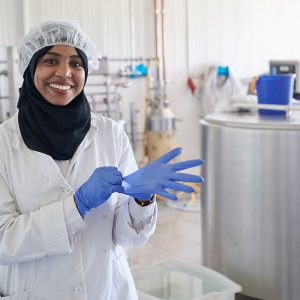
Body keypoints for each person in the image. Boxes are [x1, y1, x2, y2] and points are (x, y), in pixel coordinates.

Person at [0, 20, 204, 300]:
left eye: (76, 63)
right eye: (50, 60)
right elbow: (4, 242)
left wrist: (141, 201)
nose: (64, 72)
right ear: (30, 67)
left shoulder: (111, 134)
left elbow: (125, 237)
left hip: (105, 289)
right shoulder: (3, 144)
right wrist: (76, 206)